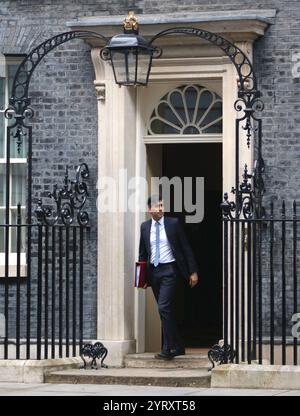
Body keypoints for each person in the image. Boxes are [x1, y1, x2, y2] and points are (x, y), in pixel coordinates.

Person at [138, 195, 199, 360]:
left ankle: (167, 349)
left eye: (162, 205)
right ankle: (178, 346)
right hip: (154, 273)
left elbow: (185, 247)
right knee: (166, 311)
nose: (161, 208)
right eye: (157, 206)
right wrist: (141, 279)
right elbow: (142, 254)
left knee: (163, 307)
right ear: (149, 209)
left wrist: (193, 271)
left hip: (170, 271)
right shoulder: (144, 227)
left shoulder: (173, 223)